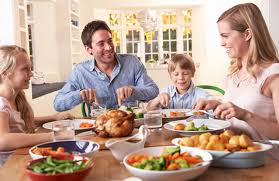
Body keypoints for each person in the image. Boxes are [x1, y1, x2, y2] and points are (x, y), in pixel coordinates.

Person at [195, 3, 279, 140]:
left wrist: (246, 115)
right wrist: (218, 105)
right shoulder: (234, 75)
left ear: (247, 34)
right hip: (234, 156)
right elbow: (239, 111)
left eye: (226, 36)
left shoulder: (273, 75)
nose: (221, 43)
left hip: (267, 160)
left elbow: (246, 113)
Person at [53, 20, 159, 111]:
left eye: (110, 41)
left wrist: (133, 90)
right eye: (101, 44)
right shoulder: (80, 71)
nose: (108, 47)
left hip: (131, 125)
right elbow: (58, 104)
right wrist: (79, 95)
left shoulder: (132, 62)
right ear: (89, 49)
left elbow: (153, 90)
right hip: (99, 129)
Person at [0, 45, 73, 165]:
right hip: (8, 168)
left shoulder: (16, 98)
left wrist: (54, 117)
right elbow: (2, 140)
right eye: (25, 69)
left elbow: (19, 123)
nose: (31, 74)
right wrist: (52, 136)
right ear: (6, 73)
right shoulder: (1, 104)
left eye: (30, 68)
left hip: (19, 160)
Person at [147, 54, 211, 110]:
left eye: (185, 73)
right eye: (176, 74)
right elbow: (149, 109)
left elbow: (215, 112)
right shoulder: (166, 92)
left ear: (192, 73)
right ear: (170, 76)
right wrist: (157, 100)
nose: (181, 78)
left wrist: (210, 104)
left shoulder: (202, 95)